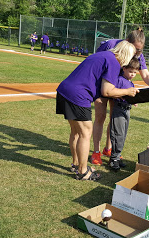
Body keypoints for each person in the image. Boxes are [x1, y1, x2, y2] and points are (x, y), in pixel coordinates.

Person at [56, 40, 138, 181]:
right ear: (126, 55)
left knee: (76, 132)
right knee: (85, 133)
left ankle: (76, 164)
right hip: (78, 96)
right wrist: (128, 92)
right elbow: (107, 91)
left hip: (64, 91)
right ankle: (82, 171)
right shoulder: (113, 62)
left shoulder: (103, 55)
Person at [91, 28, 149, 166]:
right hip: (102, 84)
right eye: (135, 49)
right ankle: (96, 152)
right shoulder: (110, 45)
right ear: (127, 42)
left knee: (115, 118)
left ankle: (109, 149)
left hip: (118, 88)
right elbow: (96, 62)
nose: (137, 53)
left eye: (140, 50)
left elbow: (145, 74)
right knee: (100, 117)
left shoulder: (138, 54)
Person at [108, 58, 140, 171]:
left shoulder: (130, 82)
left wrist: (133, 101)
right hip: (119, 109)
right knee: (118, 134)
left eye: (135, 72)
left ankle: (117, 156)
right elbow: (113, 92)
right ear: (124, 68)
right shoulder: (120, 80)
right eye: (130, 71)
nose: (132, 74)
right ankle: (113, 159)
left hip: (127, 110)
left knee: (123, 134)